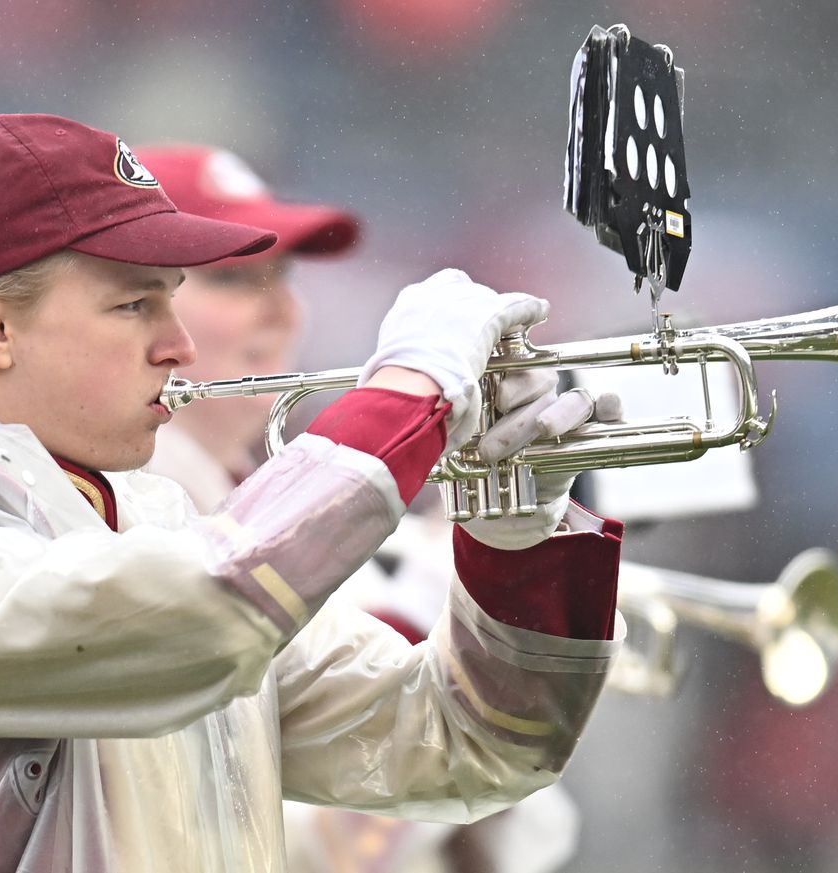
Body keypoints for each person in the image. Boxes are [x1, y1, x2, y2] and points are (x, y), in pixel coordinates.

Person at [0, 112, 625, 873]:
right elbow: (206, 608)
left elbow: (472, 743)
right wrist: (409, 393)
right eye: (133, 305)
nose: (179, 342)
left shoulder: (144, 516)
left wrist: (517, 536)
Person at [136, 143, 595, 873]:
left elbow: (497, 788)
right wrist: (419, 614)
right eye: (232, 276)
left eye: (283, 272)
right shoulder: (113, 527)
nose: (283, 309)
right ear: (127, 310)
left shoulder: (269, 514)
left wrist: (514, 565)